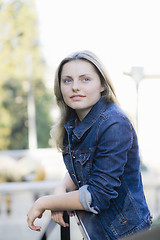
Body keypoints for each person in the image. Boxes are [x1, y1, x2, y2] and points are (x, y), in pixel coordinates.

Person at [27, 50, 152, 239]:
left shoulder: (114, 123)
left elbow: (98, 195)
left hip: (126, 234)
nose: (75, 87)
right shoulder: (74, 122)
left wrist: (46, 202)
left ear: (102, 84)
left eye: (85, 79)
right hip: (97, 233)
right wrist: (62, 187)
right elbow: (85, 165)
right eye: (67, 80)